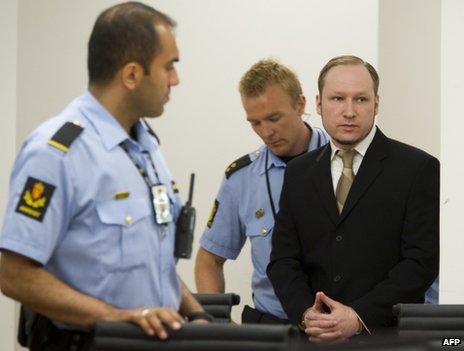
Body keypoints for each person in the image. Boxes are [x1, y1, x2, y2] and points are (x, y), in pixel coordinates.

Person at [0, 2, 211, 350]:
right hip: (84, 342)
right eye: (169, 66)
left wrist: (198, 315)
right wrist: (114, 317)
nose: (176, 79)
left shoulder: (145, 149)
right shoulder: (55, 154)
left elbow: (151, 262)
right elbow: (14, 275)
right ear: (130, 74)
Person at [267, 55, 439, 341]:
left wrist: (358, 316)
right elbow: (283, 260)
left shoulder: (417, 168)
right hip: (313, 339)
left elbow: (421, 262)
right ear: (319, 103)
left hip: (386, 339)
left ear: (377, 103)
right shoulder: (299, 172)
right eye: (337, 99)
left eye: (360, 99)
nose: (349, 111)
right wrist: (307, 313)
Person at [195, 59, 329, 324]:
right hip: (273, 328)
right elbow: (208, 260)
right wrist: (216, 323)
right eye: (254, 123)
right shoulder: (241, 178)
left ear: (300, 104)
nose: (266, 132)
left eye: (274, 118)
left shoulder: (344, 161)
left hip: (339, 329)